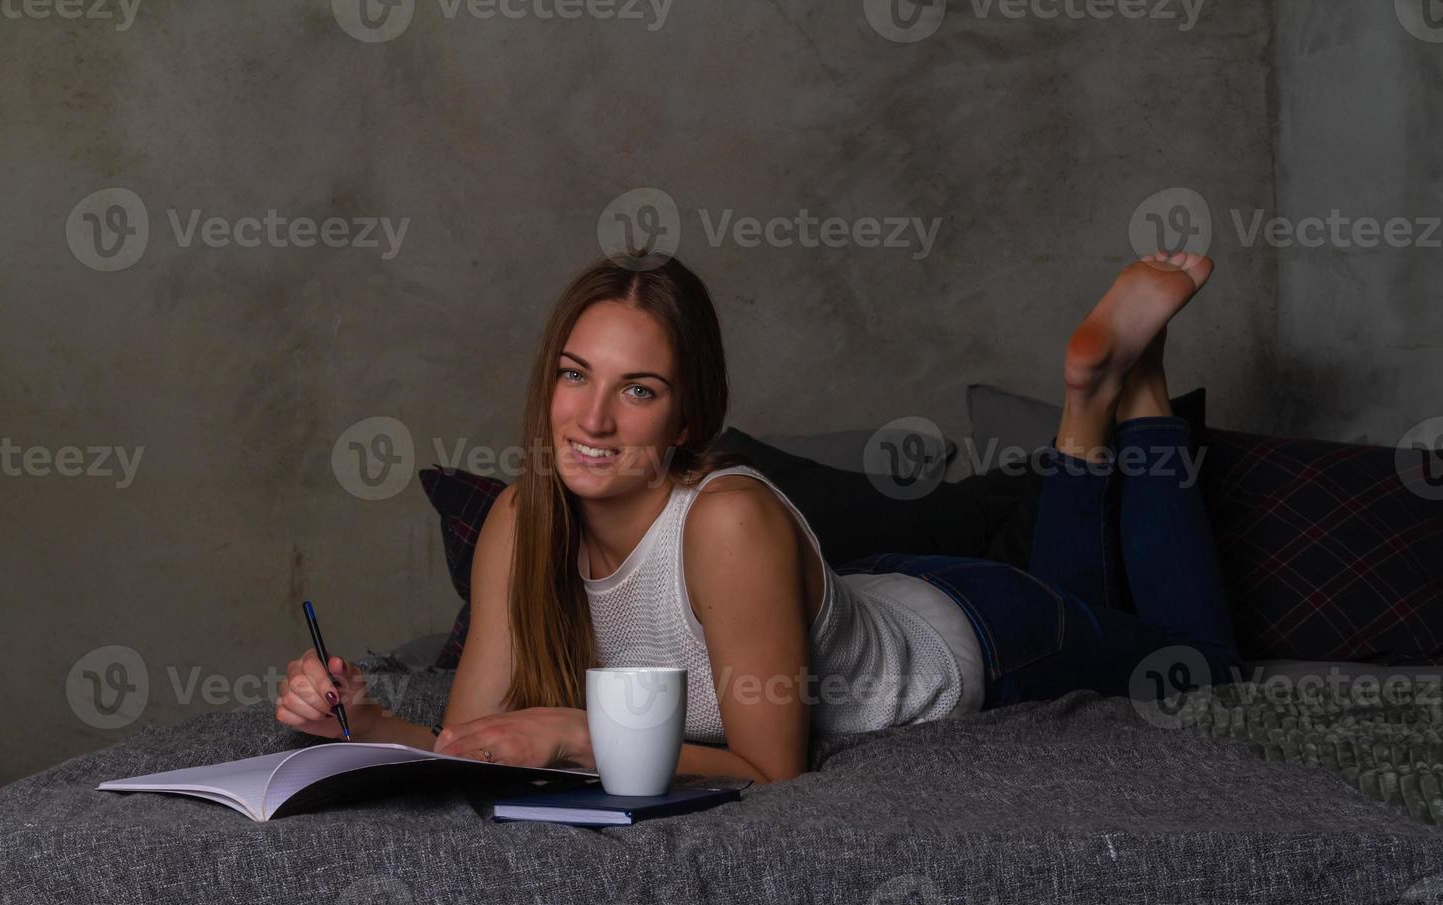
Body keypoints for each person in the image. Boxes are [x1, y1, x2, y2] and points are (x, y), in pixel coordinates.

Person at [275, 248, 1244, 784]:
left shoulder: (727, 520)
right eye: (576, 375)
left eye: (638, 389)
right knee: (1089, 585)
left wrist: (575, 733)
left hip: (981, 635)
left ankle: (1131, 395)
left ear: (690, 415)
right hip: (878, 590)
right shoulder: (523, 521)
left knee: (1199, 659)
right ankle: (1109, 392)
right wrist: (364, 719)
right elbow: (475, 741)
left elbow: (770, 764)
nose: (593, 416)